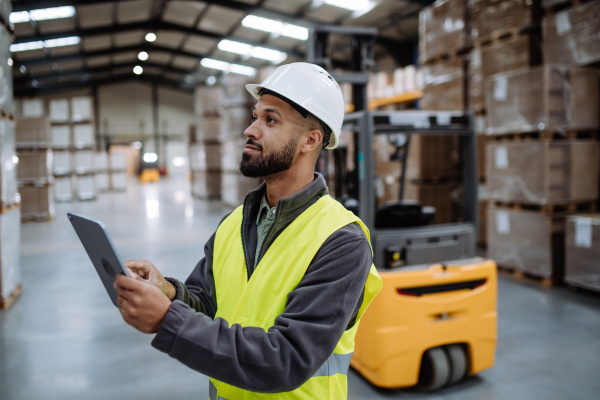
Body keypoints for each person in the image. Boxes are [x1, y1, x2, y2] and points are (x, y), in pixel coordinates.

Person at [113, 62, 382, 399]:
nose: (250, 130)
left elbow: (287, 359)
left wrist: (168, 320)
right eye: (255, 117)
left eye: (270, 120)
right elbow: (210, 306)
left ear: (310, 140)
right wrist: (168, 292)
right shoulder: (235, 223)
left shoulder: (341, 241)